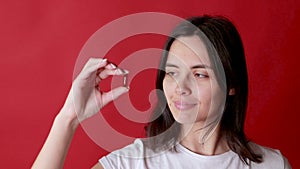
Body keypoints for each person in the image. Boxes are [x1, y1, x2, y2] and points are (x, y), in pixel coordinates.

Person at [32, 15, 291, 169]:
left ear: (232, 83)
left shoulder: (272, 164)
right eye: (172, 73)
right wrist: (68, 118)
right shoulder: (134, 162)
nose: (181, 88)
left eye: (199, 74)